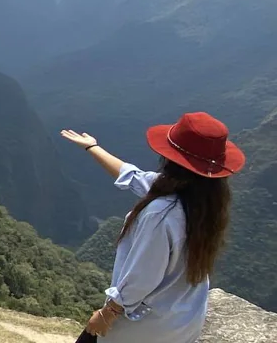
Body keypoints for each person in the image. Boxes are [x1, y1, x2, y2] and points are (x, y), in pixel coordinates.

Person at [60, 112, 243, 342]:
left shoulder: (160, 213)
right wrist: (92, 147)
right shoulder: (205, 203)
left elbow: (142, 276)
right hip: (184, 323)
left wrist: (108, 313)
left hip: (146, 327)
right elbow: (133, 176)